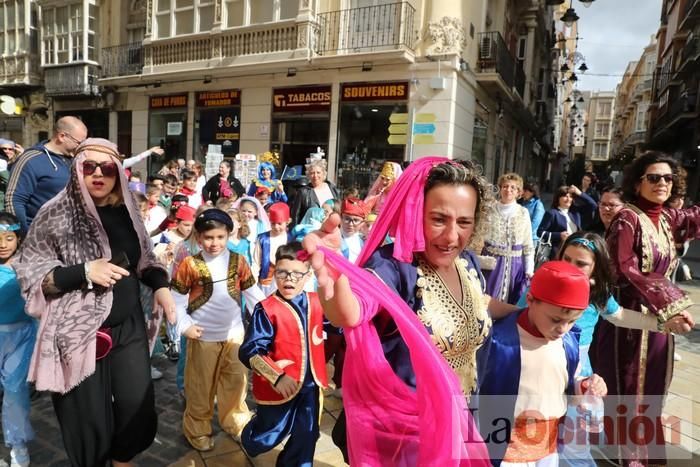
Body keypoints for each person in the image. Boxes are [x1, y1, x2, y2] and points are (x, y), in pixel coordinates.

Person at [302, 158, 515, 466]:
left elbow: (479, 302)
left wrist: (523, 311)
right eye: (439, 219)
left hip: (463, 421)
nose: (452, 236)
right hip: (409, 442)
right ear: (415, 214)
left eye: (464, 222)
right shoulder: (393, 266)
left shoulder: (465, 261)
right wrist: (335, 280)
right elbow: (354, 308)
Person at [12, 138, 177, 467]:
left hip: (127, 326)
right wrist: (83, 271)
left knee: (136, 406)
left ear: (118, 172)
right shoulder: (54, 213)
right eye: (89, 167)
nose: (98, 174)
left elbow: (144, 259)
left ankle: (122, 460)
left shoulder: (127, 210)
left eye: (108, 168)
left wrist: (160, 286)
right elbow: (30, 273)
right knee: (86, 420)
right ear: (77, 169)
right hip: (77, 332)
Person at [516, 233, 694, 466]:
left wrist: (661, 323)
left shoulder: (597, 292)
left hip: (578, 371)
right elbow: (515, 315)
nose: (571, 267)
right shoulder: (542, 284)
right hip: (541, 366)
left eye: (581, 264)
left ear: (595, 268)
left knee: (575, 444)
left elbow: (618, 315)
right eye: (566, 258)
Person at [591, 151, 699, 465]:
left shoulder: (667, 218)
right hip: (632, 322)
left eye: (668, 178)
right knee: (628, 388)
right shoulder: (627, 218)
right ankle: (626, 457)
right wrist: (671, 303)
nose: (662, 183)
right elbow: (623, 269)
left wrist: (668, 309)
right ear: (638, 183)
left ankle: (645, 453)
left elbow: (693, 219)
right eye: (653, 177)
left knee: (652, 388)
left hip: (661, 321)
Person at [479, 261, 608, 467]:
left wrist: (585, 385)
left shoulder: (568, 342)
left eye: (572, 321)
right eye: (555, 319)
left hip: (547, 449)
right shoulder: (499, 342)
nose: (563, 329)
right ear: (530, 300)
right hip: (505, 452)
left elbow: (566, 383)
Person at [171, 209, 266, 451]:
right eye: (209, 237)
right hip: (203, 337)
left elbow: (253, 295)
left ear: (228, 235)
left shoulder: (238, 261)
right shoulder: (189, 264)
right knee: (200, 387)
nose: (215, 243)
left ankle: (235, 421)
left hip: (235, 335)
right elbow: (177, 301)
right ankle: (198, 428)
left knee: (236, 382)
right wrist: (185, 326)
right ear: (199, 238)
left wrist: (267, 320)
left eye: (220, 237)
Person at [239, 242, 328, 465]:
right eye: (283, 272)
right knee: (269, 434)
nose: (289, 279)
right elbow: (250, 350)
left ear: (308, 276)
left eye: (297, 273)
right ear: (275, 272)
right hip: (279, 385)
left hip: (310, 384)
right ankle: (251, 437)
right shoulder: (267, 308)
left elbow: (338, 325)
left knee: (307, 434)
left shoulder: (317, 302)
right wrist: (276, 376)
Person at [5, 116, 88, 230]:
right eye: (78, 142)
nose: (81, 146)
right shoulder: (30, 159)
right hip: (39, 236)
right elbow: (14, 200)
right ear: (62, 136)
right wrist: (23, 235)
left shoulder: (76, 160)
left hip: (70, 234)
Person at [0, 212, 35, 467]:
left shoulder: (29, 266)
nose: (3, 244)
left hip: (21, 336)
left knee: (15, 391)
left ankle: (18, 444)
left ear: (19, 239)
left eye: (9, 238)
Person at [482, 173, 534, 304]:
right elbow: (478, 236)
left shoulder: (523, 212)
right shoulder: (489, 210)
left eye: (513, 187)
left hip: (515, 266)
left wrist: (529, 269)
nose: (508, 190)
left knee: (511, 302)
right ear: (500, 189)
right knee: (487, 300)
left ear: (518, 192)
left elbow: (528, 244)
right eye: (505, 186)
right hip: (491, 264)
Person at [537, 185, 596, 258]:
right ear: (558, 198)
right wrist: (559, 235)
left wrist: (580, 193)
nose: (568, 199)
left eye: (570, 196)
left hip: (576, 249)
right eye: (565, 196)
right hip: (558, 252)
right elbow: (540, 232)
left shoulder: (575, 212)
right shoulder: (552, 213)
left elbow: (593, 205)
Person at [252, 202, 292, 296]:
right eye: (273, 224)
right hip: (266, 281)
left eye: (279, 224)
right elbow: (256, 261)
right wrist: (253, 281)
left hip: (286, 280)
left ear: (287, 221)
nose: (276, 227)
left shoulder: (291, 239)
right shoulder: (263, 239)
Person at [289, 156, 339, 227]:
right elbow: (295, 216)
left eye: (318, 172)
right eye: (312, 173)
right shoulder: (303, 192)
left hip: (331, 229)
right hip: (311, 231)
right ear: (308, 175)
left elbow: (339, 209)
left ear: (324, 173)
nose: (315, 175)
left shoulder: (332, 188)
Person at [339, 197, 367, 263]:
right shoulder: (333, 236)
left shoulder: (363, 243)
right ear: (341, 217)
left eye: (356, 220)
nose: (350, 224)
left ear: (362, 223)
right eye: (347, 219)